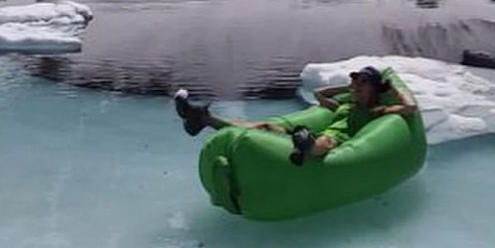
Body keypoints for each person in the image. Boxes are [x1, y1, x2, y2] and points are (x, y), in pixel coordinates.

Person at [174, 65, 417, 166]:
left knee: (326, 141)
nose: (358, 86)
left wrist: (393, 87)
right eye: (356, 82)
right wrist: (346, 87)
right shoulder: (345, 107)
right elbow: (320, 94)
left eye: (363, 83)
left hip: (336, 141)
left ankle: (307, 149)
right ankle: (203, 118)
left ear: (375, 88)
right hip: (318, 135)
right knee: (265, 127)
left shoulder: (376, 110)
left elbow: (410, 108)